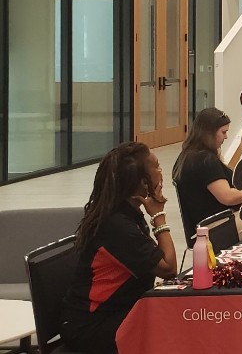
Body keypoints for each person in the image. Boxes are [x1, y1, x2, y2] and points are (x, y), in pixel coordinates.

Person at [63, 142, 177, 353]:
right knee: (172, 327)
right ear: (143, 183)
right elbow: (168, 268)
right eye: (157, 166)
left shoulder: (127, 214)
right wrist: (159, 217)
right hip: (93, 326)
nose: (161, 172)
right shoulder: (117, 226)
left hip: (118, 312)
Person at [173, 108, 242, 243]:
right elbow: (228, 197)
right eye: (223, 132)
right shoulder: (205, 161)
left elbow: (231, 181)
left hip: (210, 224)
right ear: (209, 134)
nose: (226, 137)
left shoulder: (189, 155)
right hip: (216, 228)